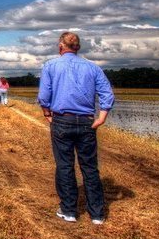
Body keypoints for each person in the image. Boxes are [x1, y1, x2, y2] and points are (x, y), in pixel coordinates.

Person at [38, 31, 115, 225]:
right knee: (89, 167)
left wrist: (47, 113)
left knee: (65, 165)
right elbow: (107, 93)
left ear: (60, 46)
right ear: (78, 47)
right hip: (87, 121)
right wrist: (102, 117)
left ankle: (69, 210)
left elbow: (44, 95)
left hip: (62, 120)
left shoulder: (50, 66)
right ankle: (97, 214)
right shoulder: (93, 67)